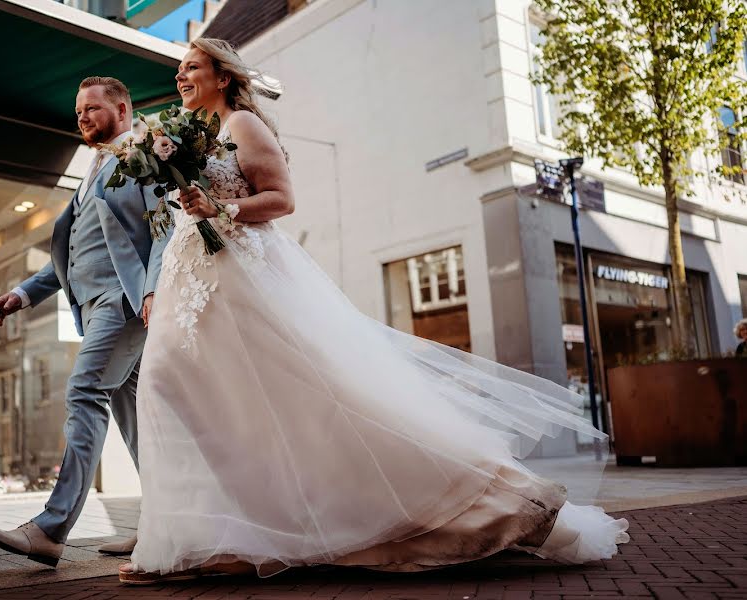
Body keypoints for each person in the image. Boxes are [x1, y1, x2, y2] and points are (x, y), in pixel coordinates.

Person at [120, 39, 629, 584]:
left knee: (296, 399)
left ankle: (476, 502)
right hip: (193, 281)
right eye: (178, 70)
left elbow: (282, 200)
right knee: (178, 386)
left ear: (222, 77)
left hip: (243, 278)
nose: (180, 77)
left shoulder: (242, 126)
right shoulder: (193, 134)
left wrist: (221, 206)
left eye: (191, 67)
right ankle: (221, 533)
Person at [0, 77, 168, 567]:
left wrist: (151, 290)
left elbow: (167, 229)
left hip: (124, 303)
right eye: (78, 110)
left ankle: (50, 528)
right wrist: (22, 294)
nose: (81, 117)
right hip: (96, 303)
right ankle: (164, 527)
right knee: (135, 420)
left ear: (122, 109)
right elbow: (71, 252)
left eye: (92, 108)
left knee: (84, 390)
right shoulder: (94, 169)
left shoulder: (143, 157)